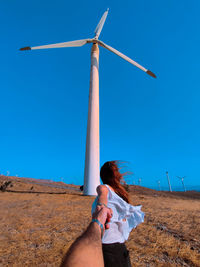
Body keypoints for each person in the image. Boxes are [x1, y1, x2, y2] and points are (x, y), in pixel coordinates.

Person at [92, 161, 145, 267]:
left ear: (102, 175)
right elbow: (101, 190)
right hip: (112, 249)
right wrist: (102, 205)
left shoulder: (117, 194)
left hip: (107, 246)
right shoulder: (105, 189)